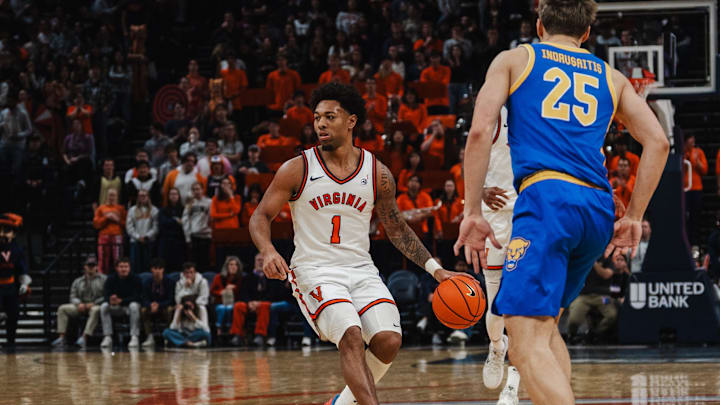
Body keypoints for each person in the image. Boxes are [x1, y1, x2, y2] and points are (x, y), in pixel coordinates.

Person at [453, 1, 669, 403]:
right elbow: (658, 141)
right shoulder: (612, 77)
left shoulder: (515, 59)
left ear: (539, 25)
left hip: (548, 198)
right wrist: (635, 215)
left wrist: (471, 211)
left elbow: (481, 131)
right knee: (545, 328)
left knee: (521, 338)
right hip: (598, 206)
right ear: (586, 33)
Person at [248, 83, 460, 405]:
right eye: (317, 117)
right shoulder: (298, 168)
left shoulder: (377, 172)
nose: (320, 124)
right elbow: (260, 216)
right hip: (315, 271)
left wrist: (436, 270)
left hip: (361, 270)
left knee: (388, 341)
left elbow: (398, 229)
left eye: (329, 117)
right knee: (350, 335)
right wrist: (268, 251)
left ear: (351, 121)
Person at [52, 256, 106, 348]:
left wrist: (94, 303)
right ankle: (61, 337)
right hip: (81, 306)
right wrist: (78, 303)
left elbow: (106, 296)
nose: (91, 267)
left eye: (93, 265)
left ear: (97, 267)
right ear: (85, 266)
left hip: (95, 305)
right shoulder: (78, 281)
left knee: (96, 310)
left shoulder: (104, 279)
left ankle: (84, 337)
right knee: (62, 308)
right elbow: (73, 296)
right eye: (89, 265)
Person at [0, 214, 31, 350]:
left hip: (11, 285)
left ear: (13, 233)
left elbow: (22, 267)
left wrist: (24, 283)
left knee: (13, 314)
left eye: (6, 231)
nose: (2, 234)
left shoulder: (17, 249)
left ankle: (11, 341)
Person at [100, 257, 143, 349]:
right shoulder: (111, 278)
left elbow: (138, 297)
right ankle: (107, 336)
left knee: (134, 306)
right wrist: (110, 300)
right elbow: (105, 295)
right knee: (104, 306)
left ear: (129, 268)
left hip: (129, 307)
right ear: (116, 268)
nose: (124, 269)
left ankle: (134, 336)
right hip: (116, 307)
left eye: (126, 267)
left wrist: (122, 300)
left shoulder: (136, 278)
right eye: (121, 267)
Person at [140, 258, 175, 347]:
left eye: (160, 268)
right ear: (151, 270)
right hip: (151, 307)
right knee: (143, 310)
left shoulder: (170, 282)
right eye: (155, 268)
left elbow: (171, 299)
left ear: (163, 269)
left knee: (170, 310)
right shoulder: (147, 282)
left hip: (164, 306)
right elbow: (144, 298)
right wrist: (150, 305)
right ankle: (149, 336)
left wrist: (159, 305)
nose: (157, 271)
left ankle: (168, 336)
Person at [93, 188, 126, 274]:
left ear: (117, 197)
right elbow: (96, 224)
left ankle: (118, 276)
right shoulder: (101, 208)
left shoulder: (121, 208)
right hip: (104, 235)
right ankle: (101, 276)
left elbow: (125, 224)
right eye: (110, 195)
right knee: (103, 258)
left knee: (117, 258)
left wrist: (116, 219)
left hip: (117, 235)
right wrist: (106, 217)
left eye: (113, 195)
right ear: (107, 196)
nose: (112, 197)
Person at [126, 189, 159, 274]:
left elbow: (156, 227)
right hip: (135, 242)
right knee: (135, 266)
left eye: (145, 195)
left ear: (148, 197)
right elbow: (129, 227)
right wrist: (138, 237)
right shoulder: (132, 210)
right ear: (138, 197)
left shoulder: (154, 210)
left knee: (148, 266)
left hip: (149, 242)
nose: (143, 197)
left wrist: (147, 236)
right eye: (140, 196)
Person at [683, 134, 707, 247]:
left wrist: (697, 162)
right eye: (690, 141)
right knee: (685, 218)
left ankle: (695, 244)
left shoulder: (698, 152)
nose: (692, 144)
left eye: (693, 141)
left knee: (695, 217)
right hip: (684, 190)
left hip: (696, 189)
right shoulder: (681, 153)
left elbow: (705, 170)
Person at [182, 182, 212, 272]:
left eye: (198, 189)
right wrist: (187, 238)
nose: (196, 191)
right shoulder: (189, 204)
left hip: (206, 236)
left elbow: (212, 218)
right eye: (194, 189)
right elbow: (185, 221)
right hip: (194, 236)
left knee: (205, 262)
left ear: (202, 190)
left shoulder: (209, 202)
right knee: (194, 263)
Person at [210, 256, 243, 334]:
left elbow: (242, 293)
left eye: (235, 265)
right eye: (231, 264)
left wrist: (234, 288)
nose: (233, 267)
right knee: (222, 308)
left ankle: (229, 329)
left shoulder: (241, 279)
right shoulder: (218, 277)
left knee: (229, 308)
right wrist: (222, 292)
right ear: (226, 266)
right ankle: (219, 330)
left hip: (234, 302)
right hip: (220, 302)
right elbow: (212, 291)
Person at [157, 188, 186, 272]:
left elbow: (184, 224)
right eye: (171, 194)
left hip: (179, 240)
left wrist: (171, 221)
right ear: (168, 196)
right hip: (166, 240)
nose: (173, 196)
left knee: (179, 265)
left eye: (175, 194)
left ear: (179, 196)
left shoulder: (183, 210)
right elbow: (163, 223)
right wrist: (176, 220)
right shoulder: (163, 210)